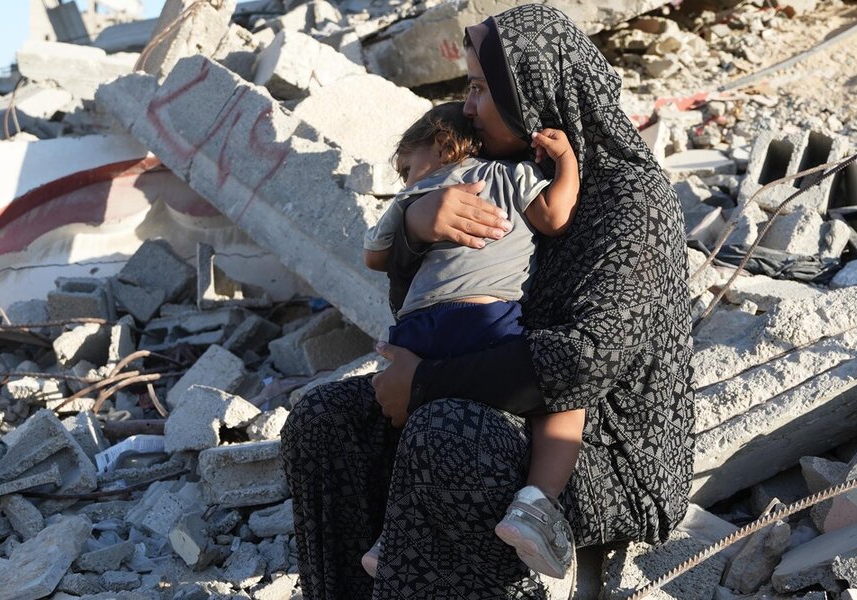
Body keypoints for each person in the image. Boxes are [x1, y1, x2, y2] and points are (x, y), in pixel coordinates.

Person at [281, 4, 695, 598]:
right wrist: (416, 230)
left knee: (446, 431)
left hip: (595, 449)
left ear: (529, 90)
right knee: (324, 421)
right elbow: (422, 305)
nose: (467, 105)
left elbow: (584, 361)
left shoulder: (630, 200)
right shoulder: (493, 174)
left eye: (479, 88)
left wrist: (424, 385)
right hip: (496, 393)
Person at [360, 102, 585, 579]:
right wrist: (567, 162)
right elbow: (557, 217)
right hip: (486, 317)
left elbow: (373, 258)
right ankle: (536, 506)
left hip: (415, 331)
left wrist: (414, 219)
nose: (404, 179)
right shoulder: (511, 176)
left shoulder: (411, 199)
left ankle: (392, 537)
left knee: (414, 428)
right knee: (563, 397)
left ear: (441, 145)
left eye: (406, 166)